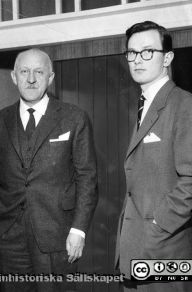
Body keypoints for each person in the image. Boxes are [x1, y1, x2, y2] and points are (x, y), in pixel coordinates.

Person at [0, 48, 98, 292]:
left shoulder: (74, 118)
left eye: (39, 72)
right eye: (24, 72)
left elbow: (87, 178)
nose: (31, 78)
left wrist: (78, 229)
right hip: (9, 238)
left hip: (58, 235)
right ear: (14, 77)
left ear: (50, 78)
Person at [115, 21, 192, 291]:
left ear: (167, 58)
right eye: (132, 53)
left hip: (165, 251)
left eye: (147, 51)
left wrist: (159, 225)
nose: (137, 59)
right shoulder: (144, 104)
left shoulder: (184, 104)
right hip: (136, 249)